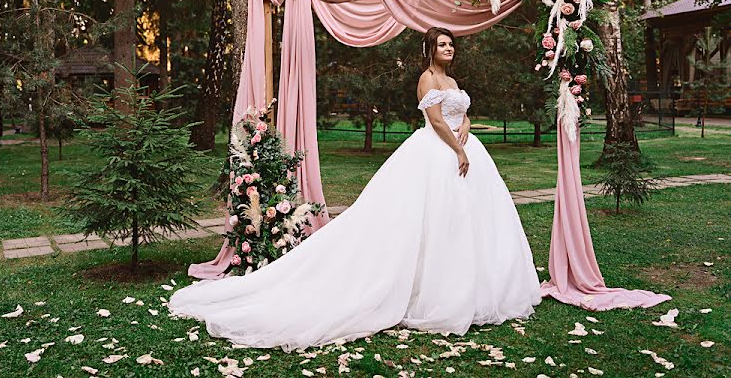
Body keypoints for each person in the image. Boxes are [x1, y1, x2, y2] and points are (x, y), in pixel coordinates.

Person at [169, 27, 542, 351]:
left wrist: (468, 128)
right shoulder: (427, 78)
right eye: (443, 45)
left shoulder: (454, 82)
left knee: (464, 222)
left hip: (463, 150)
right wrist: (458, 147)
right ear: (430, 50)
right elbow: (434, 119)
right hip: (438, 152)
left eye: (451, 44)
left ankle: (466, 285)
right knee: (426, 218)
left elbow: (461, 112)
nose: (449, 49)